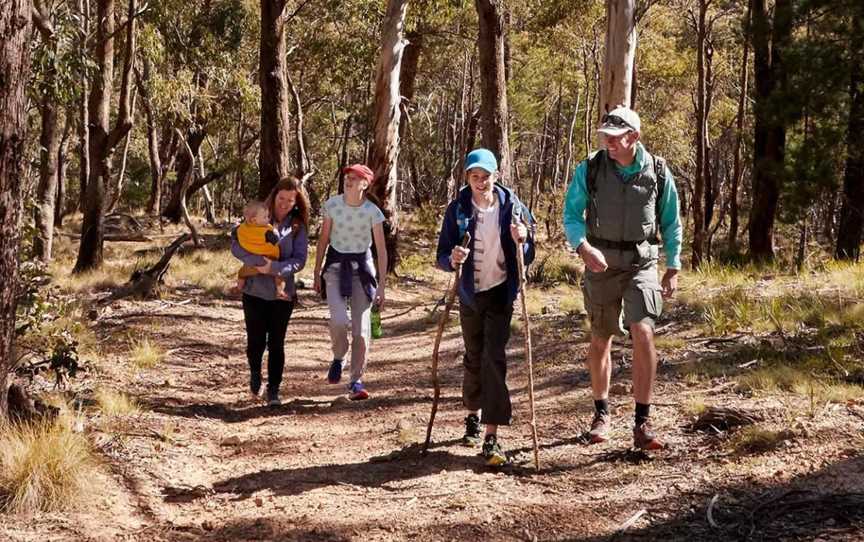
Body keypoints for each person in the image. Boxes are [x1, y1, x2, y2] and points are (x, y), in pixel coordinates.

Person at [562, 106, 682, 450]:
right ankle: (601, 414)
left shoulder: (657, 171)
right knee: (601, 338)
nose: (608, 143)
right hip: (600, 264)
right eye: (605, 137)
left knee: (643, 331)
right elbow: (571, 215)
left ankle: (642, 422)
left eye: (615, 138)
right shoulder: (591, 168)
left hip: (641, 264)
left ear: (634, 137)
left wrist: (672, 265)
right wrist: (582, 247)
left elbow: (671, 221)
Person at [435, 148, 535, 466]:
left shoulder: (512, 206)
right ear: (467, 177)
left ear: (496, 175)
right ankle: (472, 416)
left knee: (494, 358)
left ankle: (492, 436)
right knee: (474, 356)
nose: (480, 182)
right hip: (469, 294)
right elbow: (441, 256)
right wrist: (452, 259)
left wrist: (524, 239)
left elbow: (528, 252)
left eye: (485, 176)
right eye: (474, 176)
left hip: (500, 293)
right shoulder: (458, 209)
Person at [231, 178, 310, 407]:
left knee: (277, 343)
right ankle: (255, 372)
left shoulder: (297, 226)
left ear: (296, 202)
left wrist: (274, 268)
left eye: (290, 200)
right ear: (274, 196)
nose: (284, 203)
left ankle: (274, 389)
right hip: (254, 291)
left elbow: (300, 260)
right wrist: (257, 263)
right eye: (281, 198)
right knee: (255, 342)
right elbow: (236, 245)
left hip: (282, 294)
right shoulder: (257, 217)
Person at [313, 164, 387, 401]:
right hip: (335, 268)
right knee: (338, 320)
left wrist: (382, 286)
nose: (349, 180)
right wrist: (316, 272)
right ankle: (339, 356)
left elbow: (382, 251)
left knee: (362, 331)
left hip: (363, 273)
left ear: (365, 184)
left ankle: (355, 380)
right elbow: (323, 239)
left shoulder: (373, 212)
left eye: (355, 178)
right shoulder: (333, 205)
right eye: (347, 176)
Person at [234, 200, 287, 299]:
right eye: (265, 217)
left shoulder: (243, 228)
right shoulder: (267, 232)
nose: (268, 219)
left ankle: (239, 287)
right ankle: (280, 291)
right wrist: (276, 230)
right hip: (269, 259)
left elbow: (235, 234)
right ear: (254, 220)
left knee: (241, 273)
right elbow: (276, 239)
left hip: (252, 261)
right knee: (279, 275)